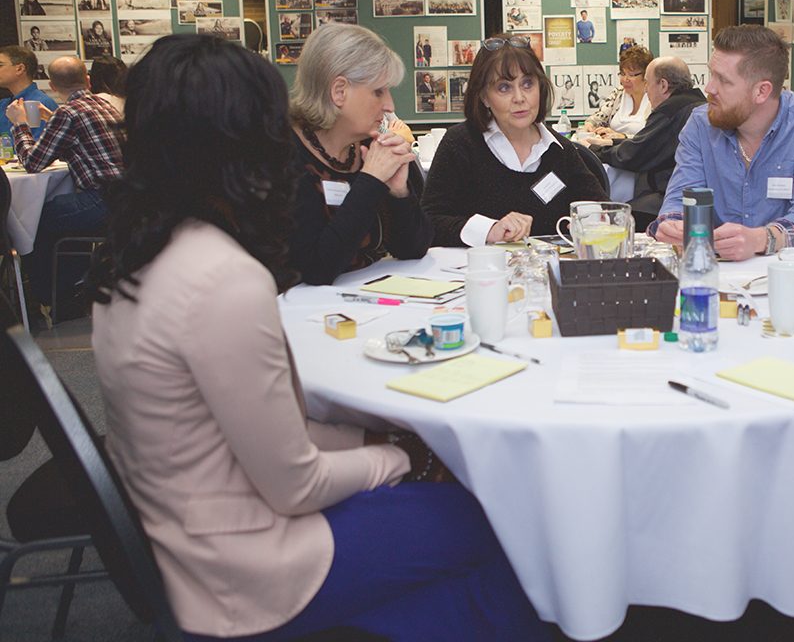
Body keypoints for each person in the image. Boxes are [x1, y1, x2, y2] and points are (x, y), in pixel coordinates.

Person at [87, 33, 550, 642]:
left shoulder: (135, 254)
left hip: (186, 536)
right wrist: (405, 457)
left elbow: (260, 427)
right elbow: (296, 482)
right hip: (250, 569)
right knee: (506, 519)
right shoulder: (222, 280)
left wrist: (386, 441)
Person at [650, 25, 794, 258]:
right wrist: (673, 223)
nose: (709, 88)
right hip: (725, 268)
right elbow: (682, 197)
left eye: (723, 80)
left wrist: (760, 239)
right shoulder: (701, 124)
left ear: (761, 91)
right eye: (712, 74)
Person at [421, 34, 607, 246]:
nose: (519, 98)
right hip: (480, 266)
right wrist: (489, 230)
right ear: (484, 97)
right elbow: (428, 222)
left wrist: (592, 223)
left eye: (527, 84)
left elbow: (603, 210)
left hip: (548, 265)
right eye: (504, 87)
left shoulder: (560, 150)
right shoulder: (460, 144)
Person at [288, 23, 432, 285]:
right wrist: (371, 180)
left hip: (373, 296)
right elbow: (317, 268)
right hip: (305, 305)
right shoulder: (285, 155)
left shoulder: (374, 142)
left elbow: (413, 249)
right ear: (339, 91)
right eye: (378, 92)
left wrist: (399, 192)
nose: (390, 105)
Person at [6, 56, 122, 314]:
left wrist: (20, 124)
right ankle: (72, 286)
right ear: (87, 80)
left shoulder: (68, 113)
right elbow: (79, 136)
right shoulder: (102, 105)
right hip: (126, 199)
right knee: (59, 212)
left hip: (102, 201)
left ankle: (46, 296)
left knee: (35, 218)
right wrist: (52, 118)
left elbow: (33, 162)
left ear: (52, 86)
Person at [592, 55, 706, 224]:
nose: (646, 90)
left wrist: (594, 151)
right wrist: (612, 143)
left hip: (673, 196)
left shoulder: (670, 111)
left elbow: (633, 155)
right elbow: (648, 143)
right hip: (693, 195)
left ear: (663, 85)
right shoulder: (695, 103)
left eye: (647, 82)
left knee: (616, 218)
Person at [583, 45, 653, 139]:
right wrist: (589, 124)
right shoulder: (618, 93)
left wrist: (622, 137)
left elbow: (654, 137)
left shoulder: (655, 99)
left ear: (645, 76)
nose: (625, 79)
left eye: (631, 75)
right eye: (622, 74)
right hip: (612, 147)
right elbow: (597, 118)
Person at [0, 45, 57, 138]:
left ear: (20, 69)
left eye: (0, 65)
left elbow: (37, 145)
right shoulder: (3, 104)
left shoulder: (36, 105)